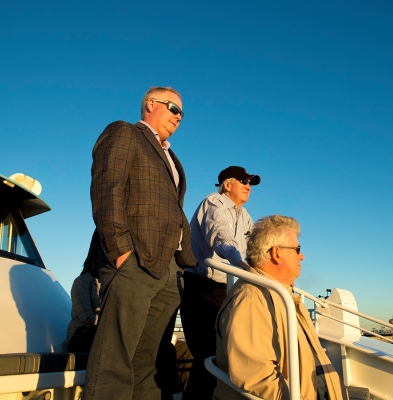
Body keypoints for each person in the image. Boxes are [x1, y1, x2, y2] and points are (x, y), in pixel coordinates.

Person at [84, 86, 197, 400]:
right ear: (150, 104)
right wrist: (121, 252)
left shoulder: (171, 156)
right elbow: (107, 189)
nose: (178, 117)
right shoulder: (124, 133)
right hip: (134, 262)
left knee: (145, 364)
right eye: (173, 108)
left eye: (182, 113)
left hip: (169, 269)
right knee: (113, 361)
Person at [213, 215, 348, 400]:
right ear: (277, 253)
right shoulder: (251, 299)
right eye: (297, 249)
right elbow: (258, 378)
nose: (302, 256)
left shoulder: (279, 295)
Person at [180, 166, 260, 399]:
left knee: (220, 353)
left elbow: (258, 240)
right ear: (227, 184)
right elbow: (221, 235)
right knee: (208, 354)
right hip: (199, 286)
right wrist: (238, 262)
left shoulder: (243, 215)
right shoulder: (213, 203)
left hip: (223, 288)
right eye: (244, 181)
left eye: (250, 183)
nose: (248, 186)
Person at [63, 231, 101, 352]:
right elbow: (87, 318)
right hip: (81, 339)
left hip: (99, 339)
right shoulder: (82, 281)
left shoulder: (106, 282)